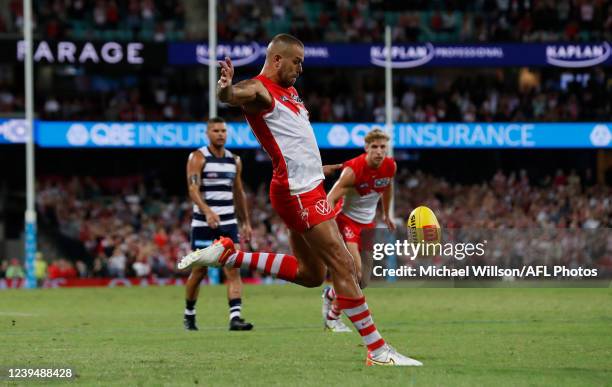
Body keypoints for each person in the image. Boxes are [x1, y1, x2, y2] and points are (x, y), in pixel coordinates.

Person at [178, 33, 421, 366]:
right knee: (344, 265)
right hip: (297, 192)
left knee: (310, 274)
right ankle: (378, 350)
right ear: (277, 59)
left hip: (306, 186)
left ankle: (231, 255)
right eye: (297, 62)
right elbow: (234, 95)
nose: (301, 69)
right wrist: (225, 88)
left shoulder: (290, 92)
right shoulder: (261, 89)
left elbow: (295, 143)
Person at [321, 129, 397, 333]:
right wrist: (327, 226)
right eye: (375, 147)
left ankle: (330, 295)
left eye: (383, 147)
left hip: (368, 224)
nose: (379, 151)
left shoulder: (390, 166)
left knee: (363, 281)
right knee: (355, 269)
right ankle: (332, 318)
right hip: (347, 221)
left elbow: (387, 188)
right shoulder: (353, 170)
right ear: (366, 148)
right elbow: (331, 198)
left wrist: (386, 215)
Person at [183, 117, 254, 331]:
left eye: (223, 130)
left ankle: (235, 318)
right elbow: (192, 189)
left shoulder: (235, 160)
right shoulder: (198, 157)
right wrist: (207, 211)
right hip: (203, 223)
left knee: (233, 268)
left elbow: (238, 192)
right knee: (200, 271)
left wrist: (246, 222)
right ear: (208, 134)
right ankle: (189, 313)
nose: (220, 134)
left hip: (229, 222)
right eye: (216, 130)